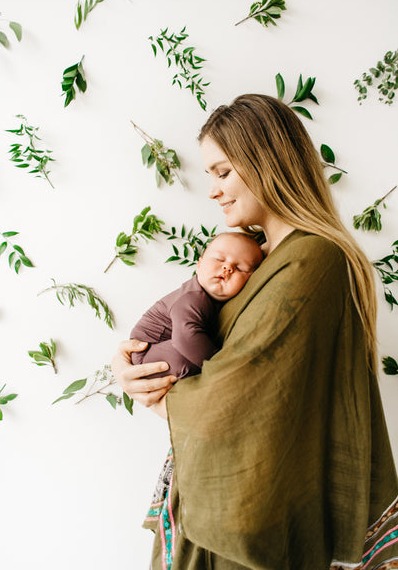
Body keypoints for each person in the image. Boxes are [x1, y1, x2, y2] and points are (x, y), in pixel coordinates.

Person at [111, 94, 398, 570]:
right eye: (210, 176)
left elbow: (239, 393)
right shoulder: (255, 260)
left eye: (223, 172)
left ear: (268, 162)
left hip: (254, 517)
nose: (213, 191)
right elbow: (187, 322)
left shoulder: (314, 260)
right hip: (221, 500)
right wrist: (130, 364)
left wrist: (157, 397)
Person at [130, 232, 264, 379]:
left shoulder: (217, 299)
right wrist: (222, 364)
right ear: (199, 265)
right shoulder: (192, 298)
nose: (227, 267)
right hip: (147, 353)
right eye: (219, 259)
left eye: (240, 268)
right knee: (183, 360)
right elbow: (186, 338)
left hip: (168, 346)